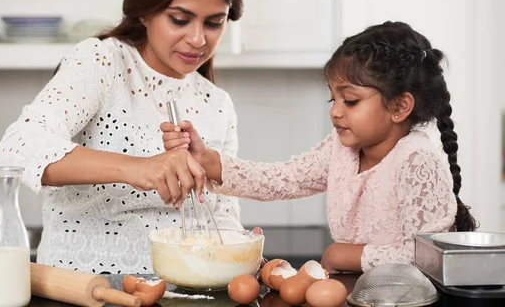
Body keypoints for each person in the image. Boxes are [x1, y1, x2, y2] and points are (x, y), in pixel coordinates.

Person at [0, 0, 246, 275]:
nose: (198, 39)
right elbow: (18, 148)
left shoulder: (217, 104)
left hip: (179, 295)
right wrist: (138, 168)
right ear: (144, 12)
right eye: (180, 19)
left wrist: (242, 249)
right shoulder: (102, 62)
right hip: (85, 290)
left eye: (214, 23)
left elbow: (222, 217)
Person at [161, 21, 477, 273]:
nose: (335, 111)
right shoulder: (341, 150)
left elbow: (430, 256)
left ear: (399, 106)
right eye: (333, 98)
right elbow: (281, 179)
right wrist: (208, 160)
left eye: (350, 100)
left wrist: (347, 255)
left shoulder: (416, 161)